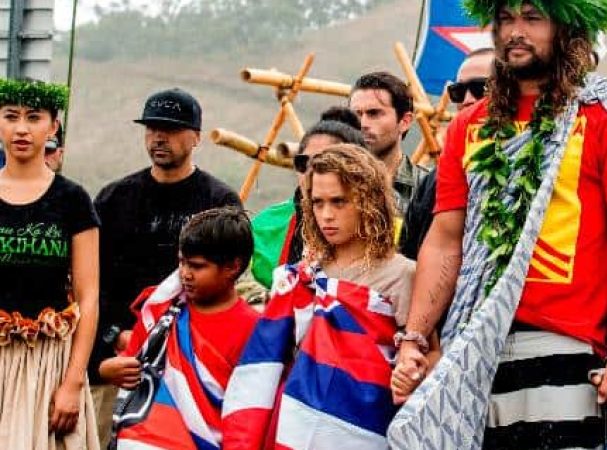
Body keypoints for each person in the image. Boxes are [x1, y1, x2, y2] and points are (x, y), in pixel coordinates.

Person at [386, 1, 607, 448]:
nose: (515, 31)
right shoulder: (468, 127)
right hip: (472, 348)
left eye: (532, 18)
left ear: (568, 27)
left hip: (562, 346)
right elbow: (444, 240)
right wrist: (415, 339)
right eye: (506, 19)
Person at [222, 145, 416, 449]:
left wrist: (412, 369)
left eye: (339, 202)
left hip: (364, 427)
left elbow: (427, 351)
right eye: (318, 203)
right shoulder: (303, 275)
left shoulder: (402, 274)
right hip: (296, 424)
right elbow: (273, 353)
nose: (326, 215)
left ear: (370, 201)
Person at [88, 87, 242, 445]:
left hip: (190, 363)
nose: (159, 137)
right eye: (152, 128)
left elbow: (226, 282)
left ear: (196, 137)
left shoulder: (218, 201)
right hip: (120, 362)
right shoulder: (114, 199)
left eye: (170, 129)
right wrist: (116, 335)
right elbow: (92, 284)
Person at [100, 207, 259, 449]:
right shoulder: (162, 313)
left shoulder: (253, 330)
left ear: (232, 267)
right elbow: (132, 365)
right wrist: (108, 369)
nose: (185, 274)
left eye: (197, 266)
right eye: (182, 262)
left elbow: (249, 413)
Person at [0, 78, 99, 449]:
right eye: (11, 117)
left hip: (48, 364)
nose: (22, 128)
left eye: (34, 117)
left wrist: (72, 382)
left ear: (53, 127)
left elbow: (89, 297)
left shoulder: (72, 200)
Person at [248, 113, 368, 292]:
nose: (312, 172)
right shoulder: (262, 227)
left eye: (324, 163)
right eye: (304, 162)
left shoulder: (381, 231)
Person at [399, 48, 494, 260]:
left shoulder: (541, 164)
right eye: (459, 92)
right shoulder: (435, 181)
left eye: (481, 88)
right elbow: (411, 256)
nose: (468, 100)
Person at [348, 71, 428, 217]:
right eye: (357, 114)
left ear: (405, 121)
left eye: (374, 113)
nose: (363, 124)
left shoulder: (428, 188)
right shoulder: (331, 180)